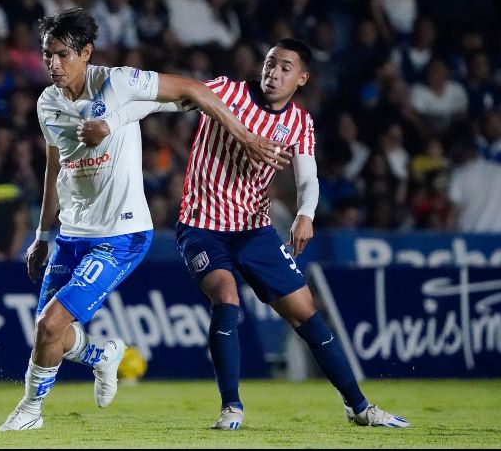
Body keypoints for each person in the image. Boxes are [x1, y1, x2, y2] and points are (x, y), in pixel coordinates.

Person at [80, 38, 411, 430]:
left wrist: (305, 214)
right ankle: (231, 407)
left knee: (306, 314)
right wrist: (110, 122)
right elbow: (157, 102)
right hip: (202, 226)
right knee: (226, 296)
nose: (274, 73)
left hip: (255, 231)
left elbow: (308, 179)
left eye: (285, 67)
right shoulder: (225, 92)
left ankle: (358, 407)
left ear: (302, 78)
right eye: (270, 63)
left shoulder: (299, 123)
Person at [0, 8, 290, 432]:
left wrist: (246, 138)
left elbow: (193, 89)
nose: (53, 64)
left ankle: (30, 412)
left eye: (62, 54)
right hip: (72, 232)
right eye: (47, 55)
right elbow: (54, 165)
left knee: (49, 324)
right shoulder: (47, 103)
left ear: (86, 53)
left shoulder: (119, 82)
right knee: (49, 335)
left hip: (121, 234)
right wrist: (43, 234)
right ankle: (103, 355)